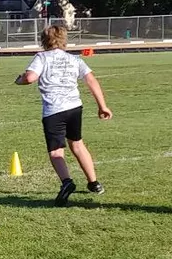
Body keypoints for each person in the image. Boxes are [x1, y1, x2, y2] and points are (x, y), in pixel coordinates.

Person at [15, 25, 112, 206]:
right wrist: (102, 106)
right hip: (75, 107)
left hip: (54, 110)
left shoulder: (42, 57)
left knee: (56, 151)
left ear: (44, 40)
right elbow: (91, 80)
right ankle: (94, 182)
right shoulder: (73, 59)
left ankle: (67, 182)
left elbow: (29, 78)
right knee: (77, 144)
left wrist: (20, 79)